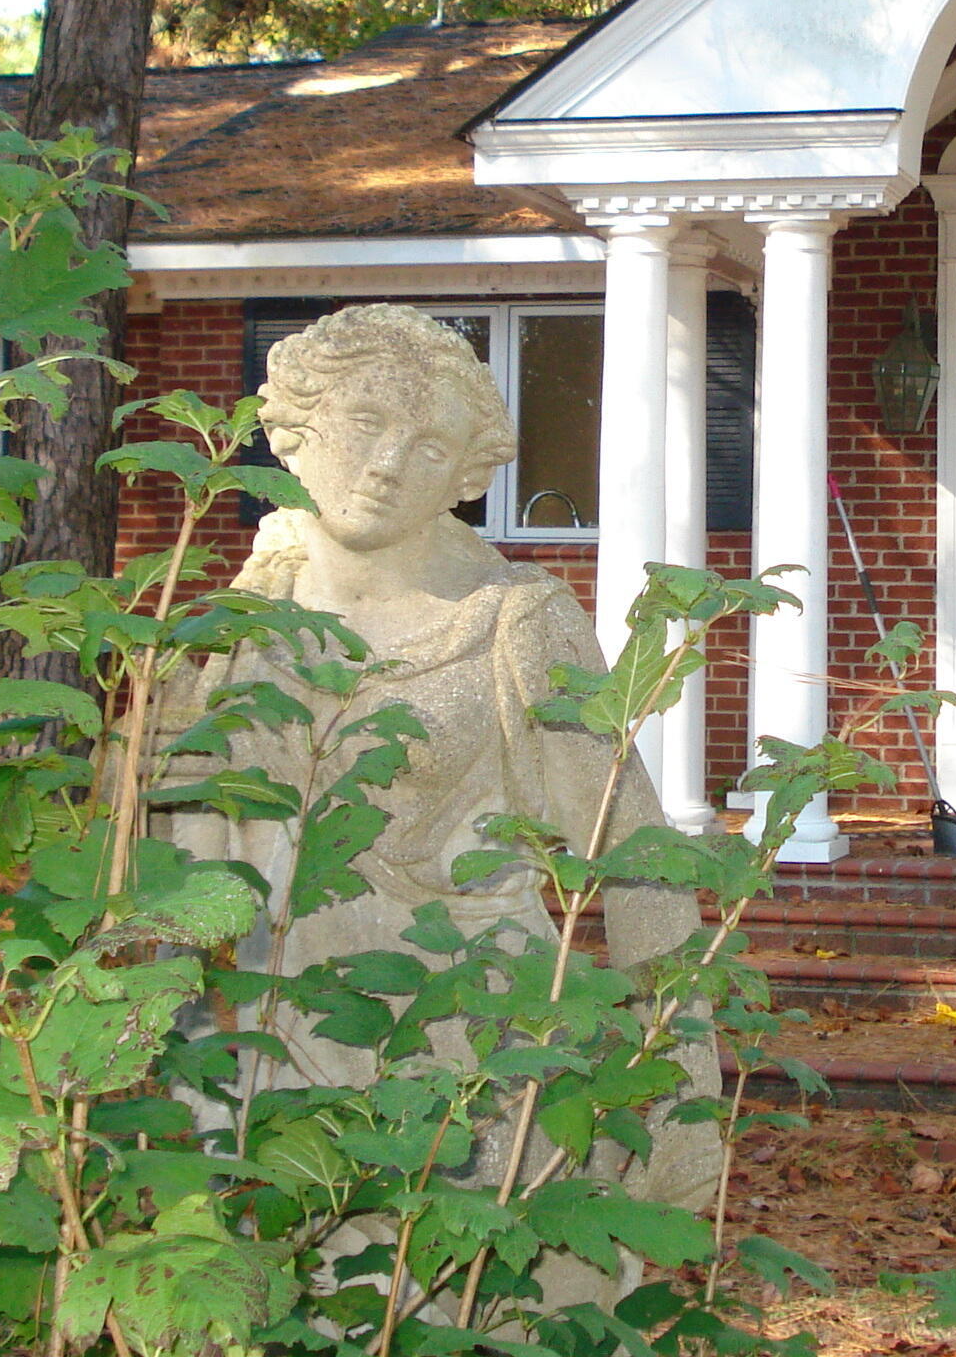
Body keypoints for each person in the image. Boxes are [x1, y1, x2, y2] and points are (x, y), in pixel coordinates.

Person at [153, 304, 718, 1297]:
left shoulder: (511, 623)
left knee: (474, 1306)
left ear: (465, 476)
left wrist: (683, 1072)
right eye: (364, 423)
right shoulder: (238, 627)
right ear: (295, 431)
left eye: (428, 447)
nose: (385, 464)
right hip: (271, 1029)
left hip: (468, 1040)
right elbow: (168, 870)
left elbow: (632, 854)